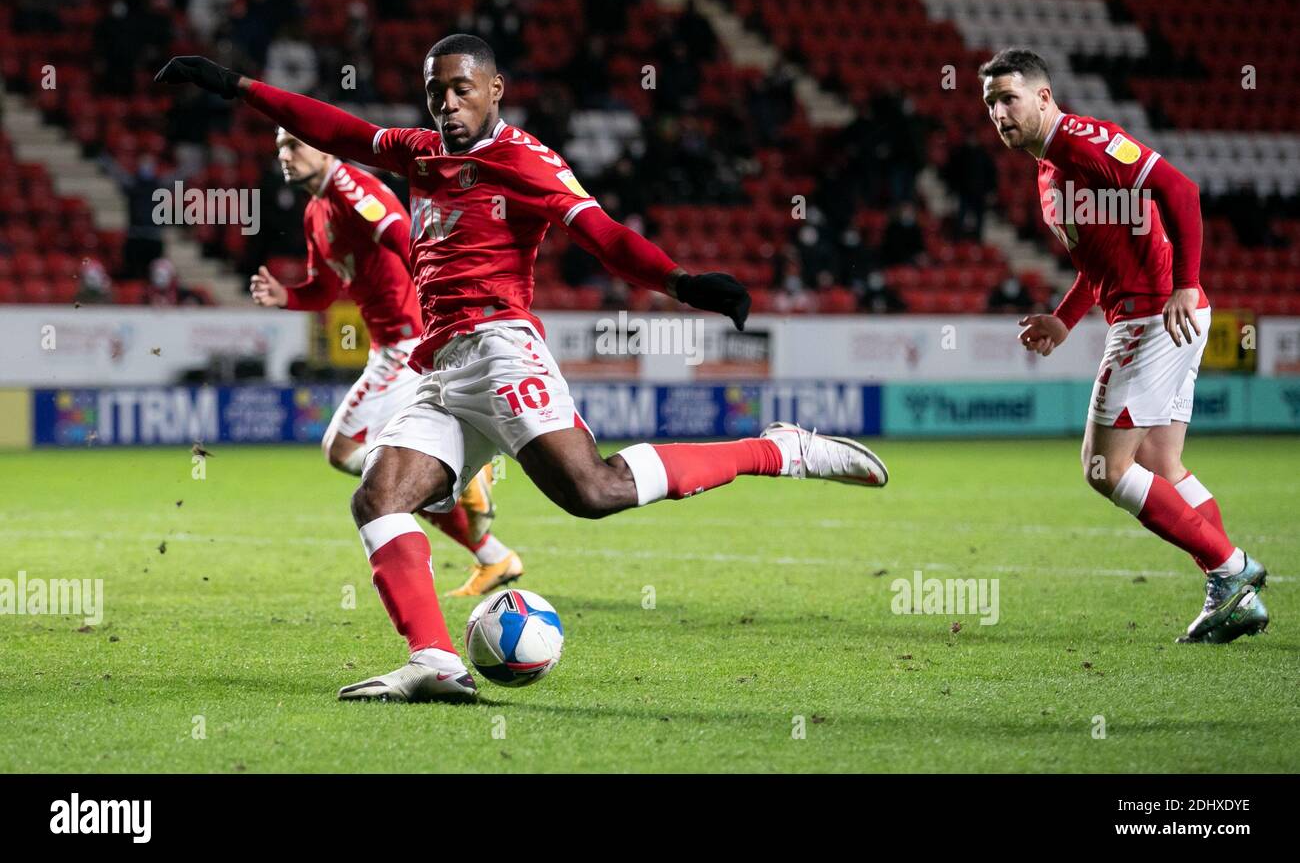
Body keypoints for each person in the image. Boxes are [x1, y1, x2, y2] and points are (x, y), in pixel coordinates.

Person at [157, 35, 889, 704]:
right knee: (379, 498)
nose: (447, 102)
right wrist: (235, 85)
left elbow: (600, 234)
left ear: (496, 89)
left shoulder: (525, 160)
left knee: (594, 492)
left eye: (462, 88)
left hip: (502, 349)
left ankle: (780, 449)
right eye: (436, 90)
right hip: (440, 365)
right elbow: (338, 129)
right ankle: (436, 661)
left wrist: (682, 283)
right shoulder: (416, 153)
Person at [979, 48, 1268, 644]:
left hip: (1153, 316)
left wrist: (1184, 285)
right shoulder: (1047, 170)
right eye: (990, 103)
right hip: (1149, 314)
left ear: (1043, 96)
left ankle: (1231, 570)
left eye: (1009, 98)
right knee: (1160, 466)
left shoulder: (1085, 143)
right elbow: (1100, 262)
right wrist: (1064, 319)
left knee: (1102, 468)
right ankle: (1230, 592)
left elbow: (1181, 192)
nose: (1000, 113)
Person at [249, 126, 523, 598]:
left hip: (406, 342)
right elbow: (324, 289)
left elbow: (403, 236)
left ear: (324, 145)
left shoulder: (351, 187)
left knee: (346, 450)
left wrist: (441, 311)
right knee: (388, 471)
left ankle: (457, 477)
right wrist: (286, 296)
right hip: (387, 345)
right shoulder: (316, 210)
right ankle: (493, 556)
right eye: (279, 149)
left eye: (294, 144)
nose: (285, 157)